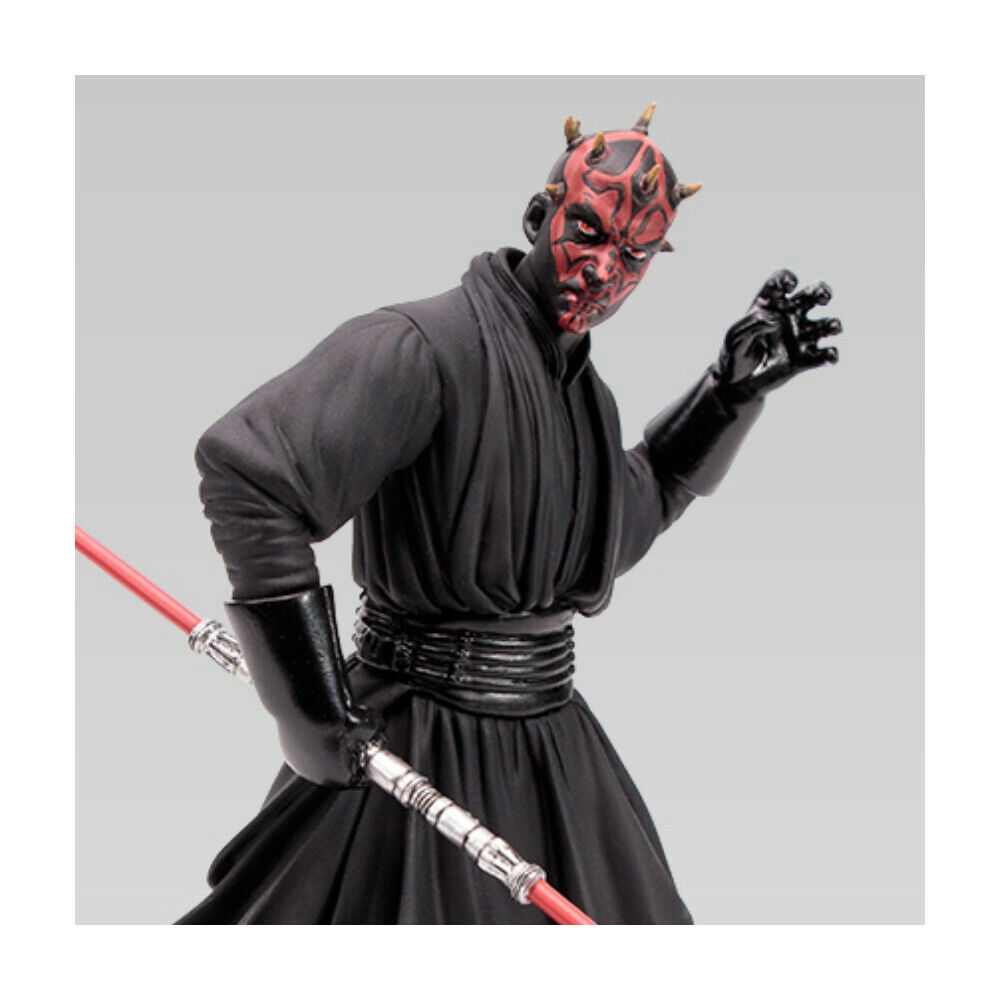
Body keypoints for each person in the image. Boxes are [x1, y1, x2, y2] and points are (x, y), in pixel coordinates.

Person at [178, 105, 841, 924]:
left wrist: (724, 399)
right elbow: (249, 476)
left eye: (634, 255)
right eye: (589, 232)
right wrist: (307, 704)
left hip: (550, 744)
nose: (604, 270)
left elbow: (609, 532)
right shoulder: (418, 348)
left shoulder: (584, 398)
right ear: (538, 217)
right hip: (413, 734)